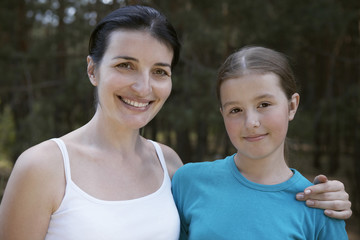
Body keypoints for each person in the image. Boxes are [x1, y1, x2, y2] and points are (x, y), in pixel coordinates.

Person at [0, 5, 351, 240]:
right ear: (93, 69)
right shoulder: (42, 167)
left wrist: (329, 199)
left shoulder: (170, 167)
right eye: (125, 65)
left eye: (159, 71)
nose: (143, 86)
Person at [171, 46, 349, 239]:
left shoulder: (320, 208)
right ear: (222, 114)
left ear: (292, 106)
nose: (251, 123)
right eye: (236, 110)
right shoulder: (189, 182)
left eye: (263, 105)